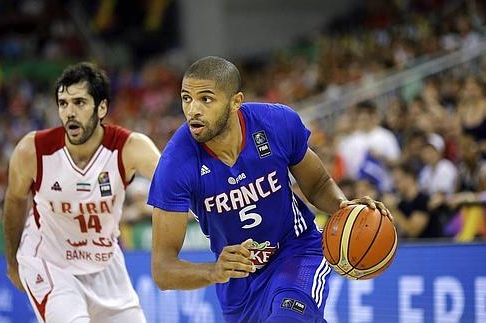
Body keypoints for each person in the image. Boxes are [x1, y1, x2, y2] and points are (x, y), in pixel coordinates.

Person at [147, 56, 392, 323]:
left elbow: (319, 183)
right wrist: (214, 271)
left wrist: (345, 208)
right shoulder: (175, 164)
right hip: (238, 283)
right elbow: (163, 270)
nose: (193, 109)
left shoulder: (276, 123)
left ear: (235, 102)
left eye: (206, 99)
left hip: (296, 251)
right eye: (186, 98)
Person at [2, 62, 160, 323]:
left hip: (104, 262)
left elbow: (175, 184)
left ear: (102, 108)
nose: (69, 112)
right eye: (63, 103)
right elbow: (15, 200)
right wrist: (12, 262)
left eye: (79, 102)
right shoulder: (33, 150)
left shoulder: (130, 147)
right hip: (51, 263)